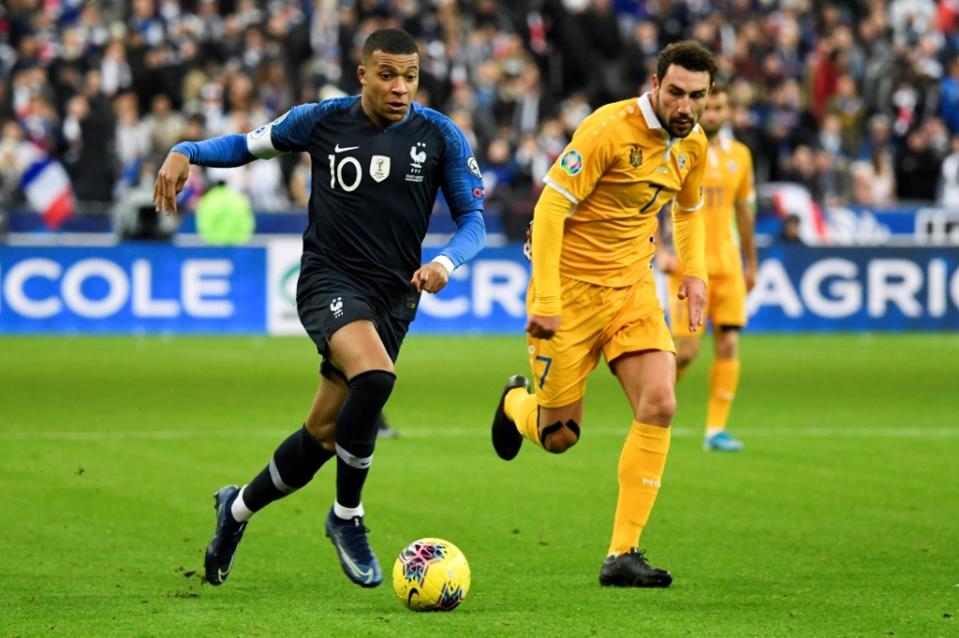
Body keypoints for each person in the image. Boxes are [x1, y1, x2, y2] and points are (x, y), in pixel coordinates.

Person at [152, 28, 486, 589]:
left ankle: (234, 511)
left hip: (394, 296)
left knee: (323, 437)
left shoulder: (440, 135)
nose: (400, 87)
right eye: (387, 75)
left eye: (410, 76)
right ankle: (346, 517)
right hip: (327, 280)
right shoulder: (322, 120)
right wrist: (187, 150)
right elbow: (244, 145)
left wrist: (446, 263)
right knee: (376, 377)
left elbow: (473, 221)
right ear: (363, 74)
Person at [490, 40, 715, 588]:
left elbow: (688, 212)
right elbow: (549, 209)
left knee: (660, 401)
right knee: (560, 435)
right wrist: (545, 298)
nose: (686, 107)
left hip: (633, 288)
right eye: (677, 93)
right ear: (656, 85)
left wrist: (694, 272)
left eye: (699, 97)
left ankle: (623, 554)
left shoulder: (693, 145)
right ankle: (516, 404)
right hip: (569, 292)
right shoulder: (607, 130)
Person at [657, 83, 757, 452]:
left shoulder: (741, 156)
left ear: (727, 111)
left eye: (719, 108)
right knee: (686, 351)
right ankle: (654, 404)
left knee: (729, 343)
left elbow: (744, 211)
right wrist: (662, 251)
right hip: (688, 266)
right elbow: (654, 201)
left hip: (729, 266)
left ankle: (716, 430)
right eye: (708, 107)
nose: (713, 113)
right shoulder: (678, 148)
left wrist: (752, 261)